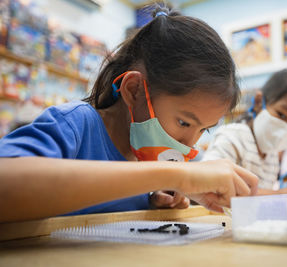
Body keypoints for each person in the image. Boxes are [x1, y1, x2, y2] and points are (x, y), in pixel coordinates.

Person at [0, 7, 258, 223]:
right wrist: (175, 176)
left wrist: (156, 204)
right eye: (184, 122)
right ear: (134, 91)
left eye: (204, 130)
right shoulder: (75, 124)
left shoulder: (152, 154)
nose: (189, 144)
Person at [202, 68, 287, 195]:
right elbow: (208, 184)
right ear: (259, 102)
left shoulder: (272, 157)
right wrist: (282, 194)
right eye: (282, 115)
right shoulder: (233, 137)